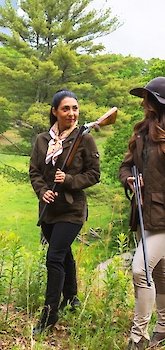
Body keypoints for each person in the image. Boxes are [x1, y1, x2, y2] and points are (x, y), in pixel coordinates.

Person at [29, 89, 100, 334]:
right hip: (48, 210)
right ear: (55, 111)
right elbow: (35, 172)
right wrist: (42, 192)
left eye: (75, 109)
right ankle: (71, 297)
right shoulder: (42, 140)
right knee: (64, 253)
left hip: (72, 210)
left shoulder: (85, 139)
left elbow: (94, 174)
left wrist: (68, 179)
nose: (72, 113)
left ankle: (50, 313)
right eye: (66, 109)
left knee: (54, 257)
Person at [119, 77, 165, 350]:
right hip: (144, 214)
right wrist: (130, 180)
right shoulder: (140, 133)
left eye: (146, 98)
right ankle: (163, 328)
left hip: (164, 218)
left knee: (140, 270)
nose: (142, 102)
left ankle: (139, 336)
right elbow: (125, 168)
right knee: (159, 274)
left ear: (157, 103)